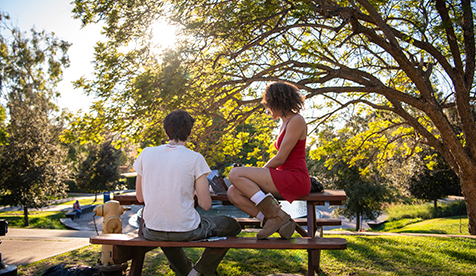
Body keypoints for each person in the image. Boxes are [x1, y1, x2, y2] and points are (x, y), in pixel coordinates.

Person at [133, 110, 242, 276]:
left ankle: (185, 271)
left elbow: (140, 197)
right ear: (189, 132)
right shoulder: (195, 158)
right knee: (232, 225)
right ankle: (200, 271)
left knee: (165, 229)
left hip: (152, 230)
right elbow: (205, 205)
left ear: (166, 130)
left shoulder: (146, 153)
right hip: (187, 230)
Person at [227, 81, 311, 240]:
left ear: (278, 102)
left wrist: (258, 173)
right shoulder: (284, 122)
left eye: (268, 105)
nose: (267, 110)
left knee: (235, 174)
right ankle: (272, 220)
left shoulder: (296, 121)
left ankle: (277, 216)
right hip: (283, 176)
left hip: (295, 178)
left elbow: (281, 157)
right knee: (233, 192)